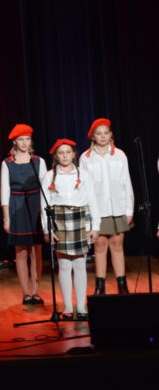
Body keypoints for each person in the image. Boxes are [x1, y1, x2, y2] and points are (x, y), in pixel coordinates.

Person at [41, 139, 100, 320]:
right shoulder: (50, 176)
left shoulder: (83, 174)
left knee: (80, 264)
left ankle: (81, 307)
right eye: (61, 153)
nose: (65, 156)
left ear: (74, 154)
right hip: (60, 221)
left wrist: (95, 226)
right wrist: (47, 229)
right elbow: (44, 205)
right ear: (56, 156)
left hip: (79, 219)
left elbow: (92, 200)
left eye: (68, 152)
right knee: (65, 265)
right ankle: (67, 306)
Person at [79, 118, 134, 295]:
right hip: (97, 210)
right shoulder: (86, 158)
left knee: (117, 245)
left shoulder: (119, 155)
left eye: (105, 133)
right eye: (98, 133)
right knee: (100, 246)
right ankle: (100, 286)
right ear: (93, 137)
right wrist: (87, 213)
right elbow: (83, 187)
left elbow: (126, 182)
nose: (102, 136)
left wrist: (129, 210)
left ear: (110, 134)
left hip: (117, 208)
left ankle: (122, 285)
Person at [0, 123, 47, 305]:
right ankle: (26, 292)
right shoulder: (7, 163)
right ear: (15, 142)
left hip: (35, 206)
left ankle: (36, 291)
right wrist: (6, 217)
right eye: (21, 139)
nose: (25, 142)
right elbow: (5, 191)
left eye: (27, 139)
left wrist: (44, 215)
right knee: (21, 252)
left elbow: (45, 189)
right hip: (17, 205)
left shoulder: (38, 161)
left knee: (36, 251)